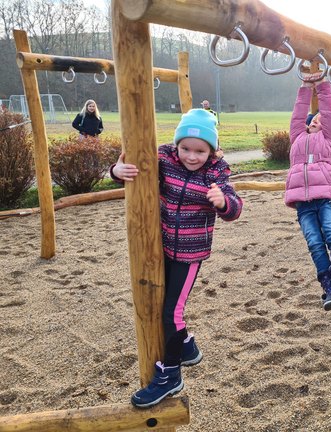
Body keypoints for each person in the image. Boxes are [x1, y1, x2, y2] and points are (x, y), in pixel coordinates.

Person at [110, 108, 243, 408]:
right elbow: (134, 171)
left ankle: (171, 375)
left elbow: (235, 207)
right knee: (159, 305)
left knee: (172, 312)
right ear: (177, 145)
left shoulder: (216, 173)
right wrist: (115, 172)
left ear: (211, 150)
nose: (191, 156)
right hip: (161, 249)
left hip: (190, 254)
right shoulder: (165, 160)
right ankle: (188, 347)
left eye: (200, 150)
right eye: (186, 148)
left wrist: (223, 203)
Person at [285, 71, 331, 311]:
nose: (316, 120)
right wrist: (306, 86)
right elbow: (297, 115)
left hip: (326, 198)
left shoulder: (330, 140)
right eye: (313, 119)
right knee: (315, 243)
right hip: (303, 202)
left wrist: (323, 86)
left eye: (320, 119)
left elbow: (328, 112)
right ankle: (329, 288)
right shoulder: (297, 137)